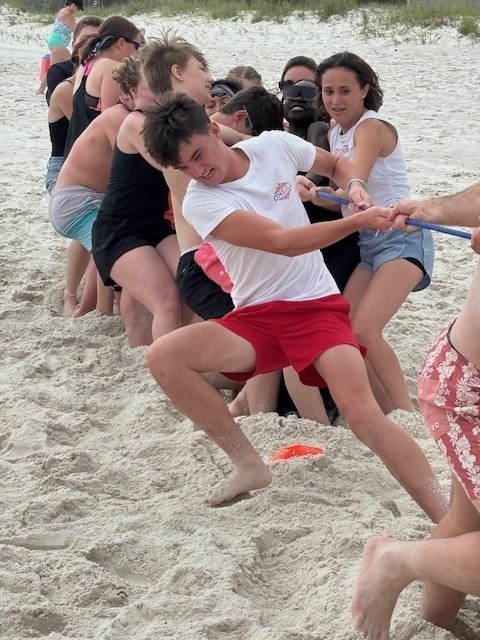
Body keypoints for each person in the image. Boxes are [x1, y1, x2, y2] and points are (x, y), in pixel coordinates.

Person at [142, 93, 447, 524]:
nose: (197, 171)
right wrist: (358, 220)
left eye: (197, 155)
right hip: (256, 318)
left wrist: (355, 187)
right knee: (164, 356)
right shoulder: (200, 200)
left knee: (363, 416)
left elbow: (336, 164)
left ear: (213, 130)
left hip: (315, 306)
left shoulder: (272, 145)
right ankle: (248, 463)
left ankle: (444, 516)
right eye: (184, 166)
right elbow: (282, 243)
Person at [352, 185, 480, 640]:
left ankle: (433, 624)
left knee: (467, 520)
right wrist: (432, 209)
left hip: (462, 367)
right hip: (468, 389)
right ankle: (395, 561)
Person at [303, 51, 434, 414]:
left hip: (402, 236)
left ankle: (407, 416)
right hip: (369, 243)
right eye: (328, 91)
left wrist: (327, 190)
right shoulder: (335, 132)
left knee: (365, 330)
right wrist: (316, 194)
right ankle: (388, 412)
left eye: (345, 90)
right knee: (347, 332)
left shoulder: (371, 127)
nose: (335, 100)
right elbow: (345, 201)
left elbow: (355, 181)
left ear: (364, 90)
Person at [49, 58, 143, 318]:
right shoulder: (119, 118)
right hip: (76, 200)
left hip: (74, 198)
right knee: (109, 248)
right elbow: (129, 168)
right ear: (126, 93)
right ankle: (96, 310)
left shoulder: (123, 116)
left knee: (101, 246)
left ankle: (90, 307)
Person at [63, 15, 143, 158]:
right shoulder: (112, 69)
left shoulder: (86, 64)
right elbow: (110, 122)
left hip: (73, 154)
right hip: (93, 160)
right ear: (121, 43)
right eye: (136, 46)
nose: (137, 54)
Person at [45, 15, 103, 105]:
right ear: (73, 45)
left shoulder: (110, 71)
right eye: (85, 39)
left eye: (96, 40)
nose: (90, 44)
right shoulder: (60, 71)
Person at [37, 0, 83, 95]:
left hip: (55, 41)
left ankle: (42, 89)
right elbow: (76, 29)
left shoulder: (62, 11)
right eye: (78, 8)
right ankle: (42, 89)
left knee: (59, 66)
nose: (77, 10)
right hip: (58, 42)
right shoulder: (68, 14)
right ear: (73, 4)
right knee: (70, 65)